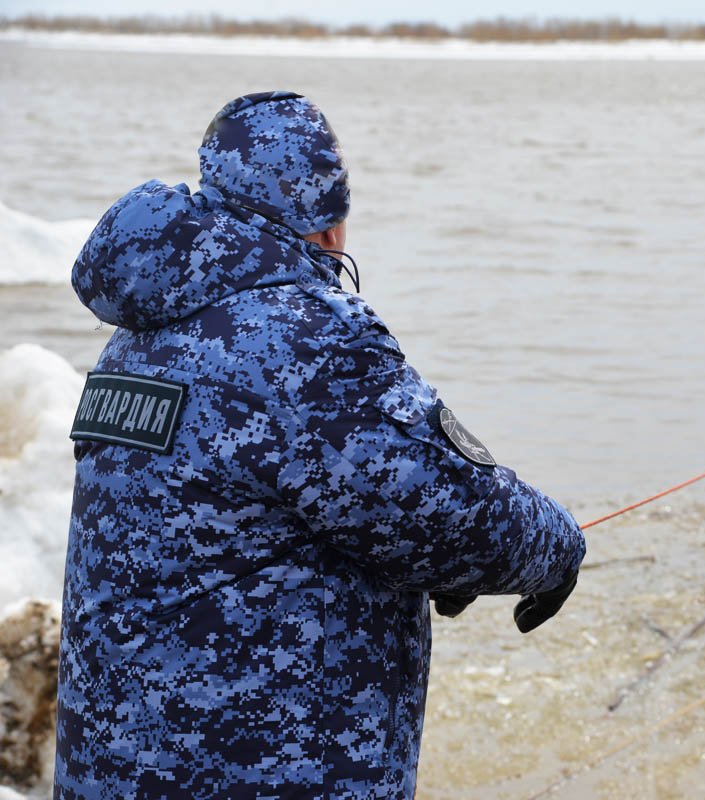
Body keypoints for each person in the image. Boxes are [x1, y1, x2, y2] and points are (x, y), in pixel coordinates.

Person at [56, 91, 585, 799]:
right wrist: (557, 551)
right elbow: (452, 515)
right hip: (251, 775)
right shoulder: (303, 338)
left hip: (109, 771)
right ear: (328, 225)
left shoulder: (140, 330)